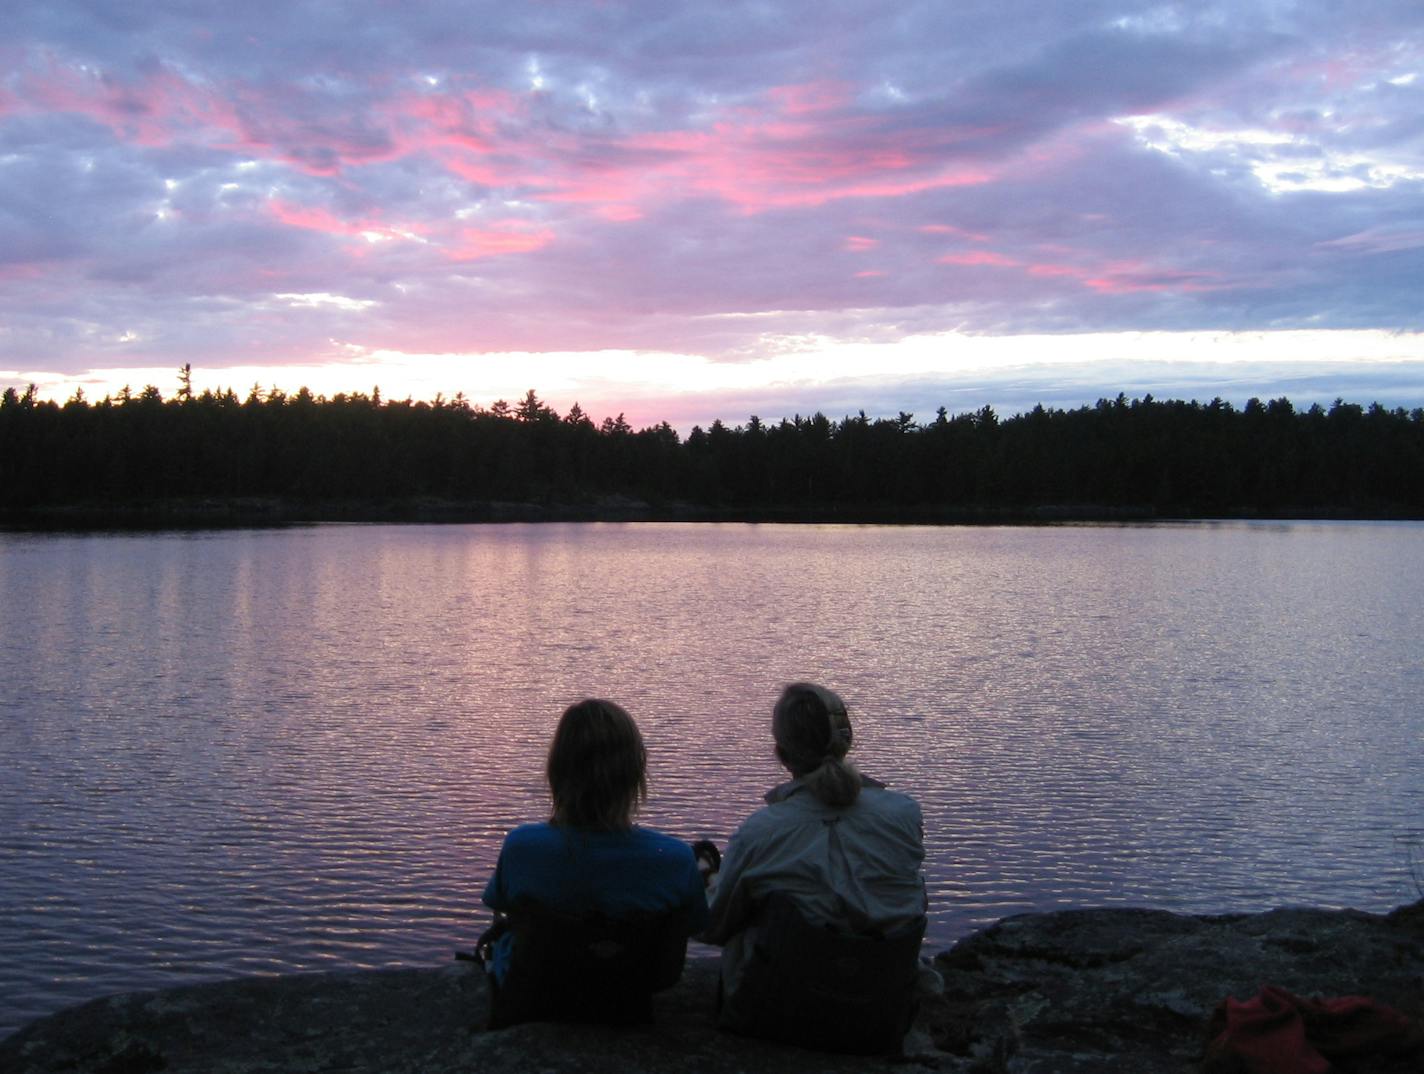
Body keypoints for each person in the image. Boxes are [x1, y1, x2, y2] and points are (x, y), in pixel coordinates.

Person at [701, 682, 927, 1053]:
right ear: (846, 742)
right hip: (879, 1010)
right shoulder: (904, 813)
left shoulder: (762, 830)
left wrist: (709, 881)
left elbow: (712, 927)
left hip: (779, 1014)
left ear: (781, 752)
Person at [479, 698, 709, 1026]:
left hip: (540, 988)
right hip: (631, 991)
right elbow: (696, 925)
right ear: (635, 773)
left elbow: (500, 906)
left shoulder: (522, 846)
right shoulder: (675, 858)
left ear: (556, 770)